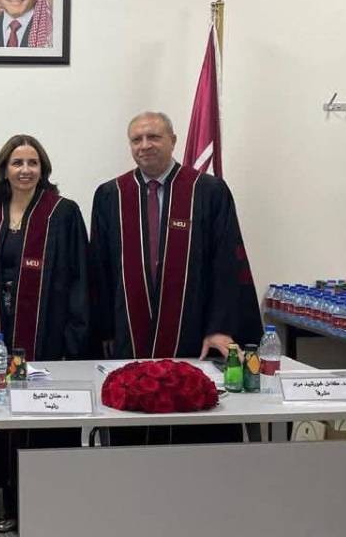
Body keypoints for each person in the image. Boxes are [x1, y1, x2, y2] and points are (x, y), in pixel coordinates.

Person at [89, 111, 260, 445]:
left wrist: (220, 326)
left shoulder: (207, 191)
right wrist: (104, 329)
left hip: (192, 331)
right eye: (137, 139)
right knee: (131, 432)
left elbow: (228, 264)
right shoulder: (111, 195)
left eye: (154, 137)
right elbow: (100, 268)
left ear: (173, 140)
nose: (145, 145)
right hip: (129, 334)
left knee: (193, 433)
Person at [0, 135, 88, 532]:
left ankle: (51, 506)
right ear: (4, 169)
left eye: (32, 163)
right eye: (17, 162)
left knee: (44, 419)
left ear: (43, 169)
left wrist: (75, 339)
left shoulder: (63, 213)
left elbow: (80, 279)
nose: (25, 170)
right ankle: (8, 503)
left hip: (48, 334)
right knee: (4, 422)